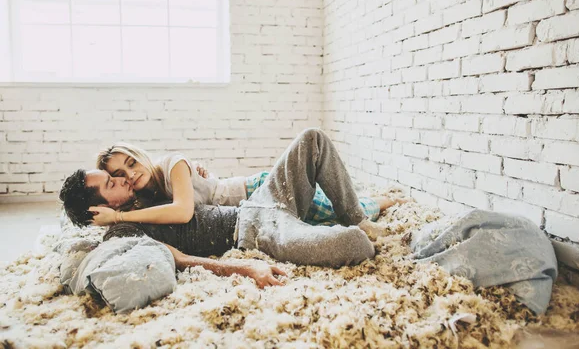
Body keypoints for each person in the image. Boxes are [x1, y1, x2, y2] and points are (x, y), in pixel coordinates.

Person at [60, 129, 403, 287]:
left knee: (312, 139)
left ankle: (362, 212)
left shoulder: (142, 198)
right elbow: (178, 257)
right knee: (357, 245)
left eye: (119, 174)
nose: (122, 180)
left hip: (256, 201)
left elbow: (182, 206)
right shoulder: (124, 233)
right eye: (111, 182)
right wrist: (244, 267)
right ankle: (358, 217)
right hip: (259, 234)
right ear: (95, 212)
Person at [94, 140, 406, 226]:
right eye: (119, 175)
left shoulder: (171, 163)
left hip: (256, 190)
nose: (129, 174)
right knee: (321, 219)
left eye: (131, 163)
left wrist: (120, 216)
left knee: (337, 212)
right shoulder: (146, 199)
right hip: (248, 208)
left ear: (141, 156)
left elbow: (183, 211)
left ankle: (389, 201)